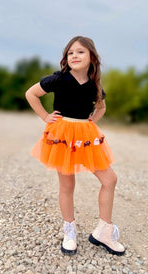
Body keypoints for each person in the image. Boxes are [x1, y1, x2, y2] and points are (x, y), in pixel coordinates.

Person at [25, 36, 125, 256]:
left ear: (91, 57)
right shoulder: (58, 79)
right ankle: (69, 230)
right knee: (67, 185)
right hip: (62, 135)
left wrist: (91, 122)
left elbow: (101, 107)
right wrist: (45, 116)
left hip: (85, 136)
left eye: (80, 52)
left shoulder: (94, 85)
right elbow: (31, 94)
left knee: (110, 179)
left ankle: (104, 231)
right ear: (66, 58)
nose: (74, 56)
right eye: (70, 52)